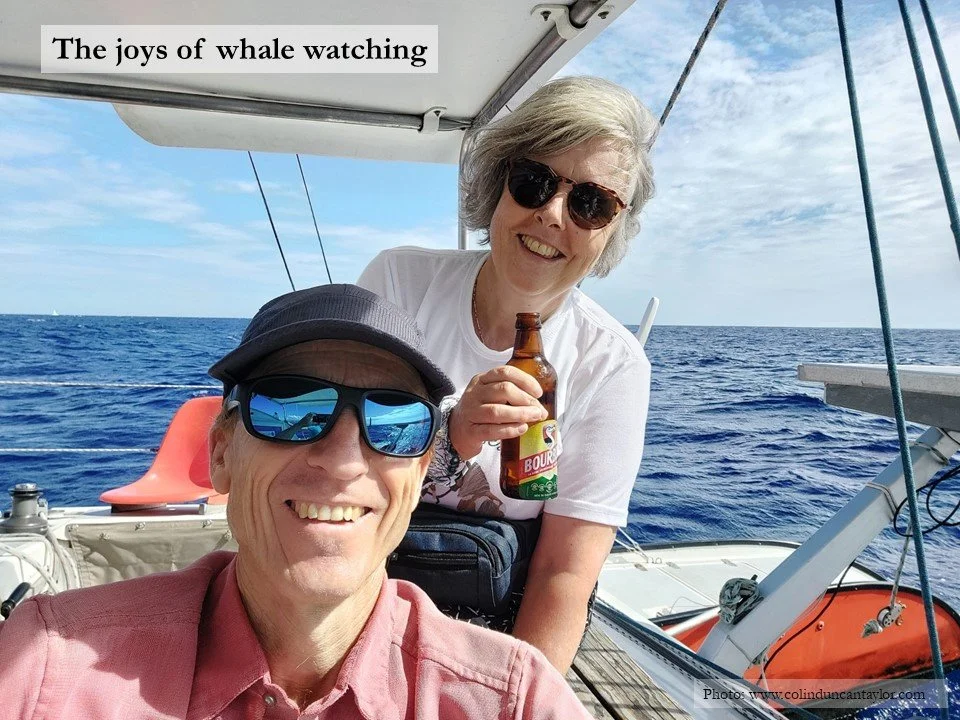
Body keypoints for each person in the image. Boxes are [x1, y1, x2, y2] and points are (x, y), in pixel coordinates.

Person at [0, 284, 594, 719]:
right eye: (289, 408)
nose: (342, 461)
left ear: (417, 475)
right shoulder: (48, 667)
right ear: (222, 454)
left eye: (393, 420)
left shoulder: (514, 700)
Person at [358, 76, 657, 672]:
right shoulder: (398, 284)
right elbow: (338, 464)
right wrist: (451, 435)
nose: (551, 215)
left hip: (490, 623)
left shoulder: (612, 365)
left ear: (611, 231)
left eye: (590, 203)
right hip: (361, 591)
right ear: (498, 183)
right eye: (534, 183)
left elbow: (565, 572)